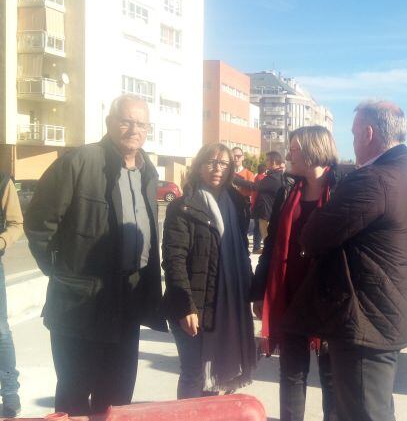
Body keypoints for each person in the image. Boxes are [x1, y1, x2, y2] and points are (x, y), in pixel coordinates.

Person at [280, 100, 407, 421]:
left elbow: (314, 236)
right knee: (375, 407)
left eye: (354, 132)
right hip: (385, 311)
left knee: (362, 412)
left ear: (369, 133)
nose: (352, 140)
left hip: (365, 319)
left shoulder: (373, 179)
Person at [24, 94, 167, 415]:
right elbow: (39, 223)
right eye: (126, 121)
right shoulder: (80, 161)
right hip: (81, 303)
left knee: (116, 395)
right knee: (75, 393)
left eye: (141, 124)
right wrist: (62, 271)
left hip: (128, 299)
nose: (134, 129)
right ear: (110, 122)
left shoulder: (148, 172)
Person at [253, 126, 339, 421]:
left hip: (330, 299)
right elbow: (271, 243)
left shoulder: (343, 188)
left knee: (332, 377)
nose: (289, 154)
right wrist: (258, 290)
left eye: (295, 149)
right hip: (288, 294)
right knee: (291, 374)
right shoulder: (287, 190)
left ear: (315, 150)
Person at [161, 143, 256, 398]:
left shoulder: (237, 203)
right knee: (194, 374)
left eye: (224, 163)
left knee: (216, 378)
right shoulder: (183, 206)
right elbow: (174, 259)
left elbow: (242, 253)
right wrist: (186, 306)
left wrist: (253, 293)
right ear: (199, 166)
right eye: (211, 162)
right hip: (193, 305)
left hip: (228, 305)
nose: (217, 169)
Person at [0, 172, 22, 417]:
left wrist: (2, 241)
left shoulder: (3, 182)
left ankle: (9, 391)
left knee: (0, 329)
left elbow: (16, 224)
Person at [253, 152, 285, 253]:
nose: (265, 162)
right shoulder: (275, 175)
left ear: (274, 162)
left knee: (266, 236)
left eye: (267, 160)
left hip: (266, 212)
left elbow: (255, 186)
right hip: (268, 211)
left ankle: (268, 251)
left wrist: (234, 179)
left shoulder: (273, 177)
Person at [251, 163, 268, 253]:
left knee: (257, 227)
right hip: (259, 206)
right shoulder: (262, 178)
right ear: (264, 170)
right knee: (259, 227)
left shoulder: (256, 177)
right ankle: (256, 247)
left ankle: (256, 246)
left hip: (255, 204)